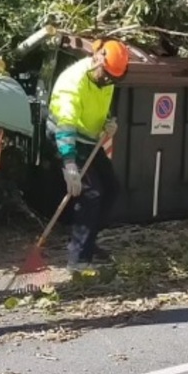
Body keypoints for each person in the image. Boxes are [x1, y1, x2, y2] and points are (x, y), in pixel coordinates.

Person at [47, 39, 129, 269]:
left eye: (113, 78)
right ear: (97, 59)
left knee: (111, 188)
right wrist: (69, 163)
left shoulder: (107, 78)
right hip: (66, 137)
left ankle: (88, 241)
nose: (108, 81)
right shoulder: (72, 83)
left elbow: (100, 106)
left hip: (88, 139)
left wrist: (107, 123)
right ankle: (79, 260)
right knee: (91, 194)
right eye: (107, 75)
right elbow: (66, 124)